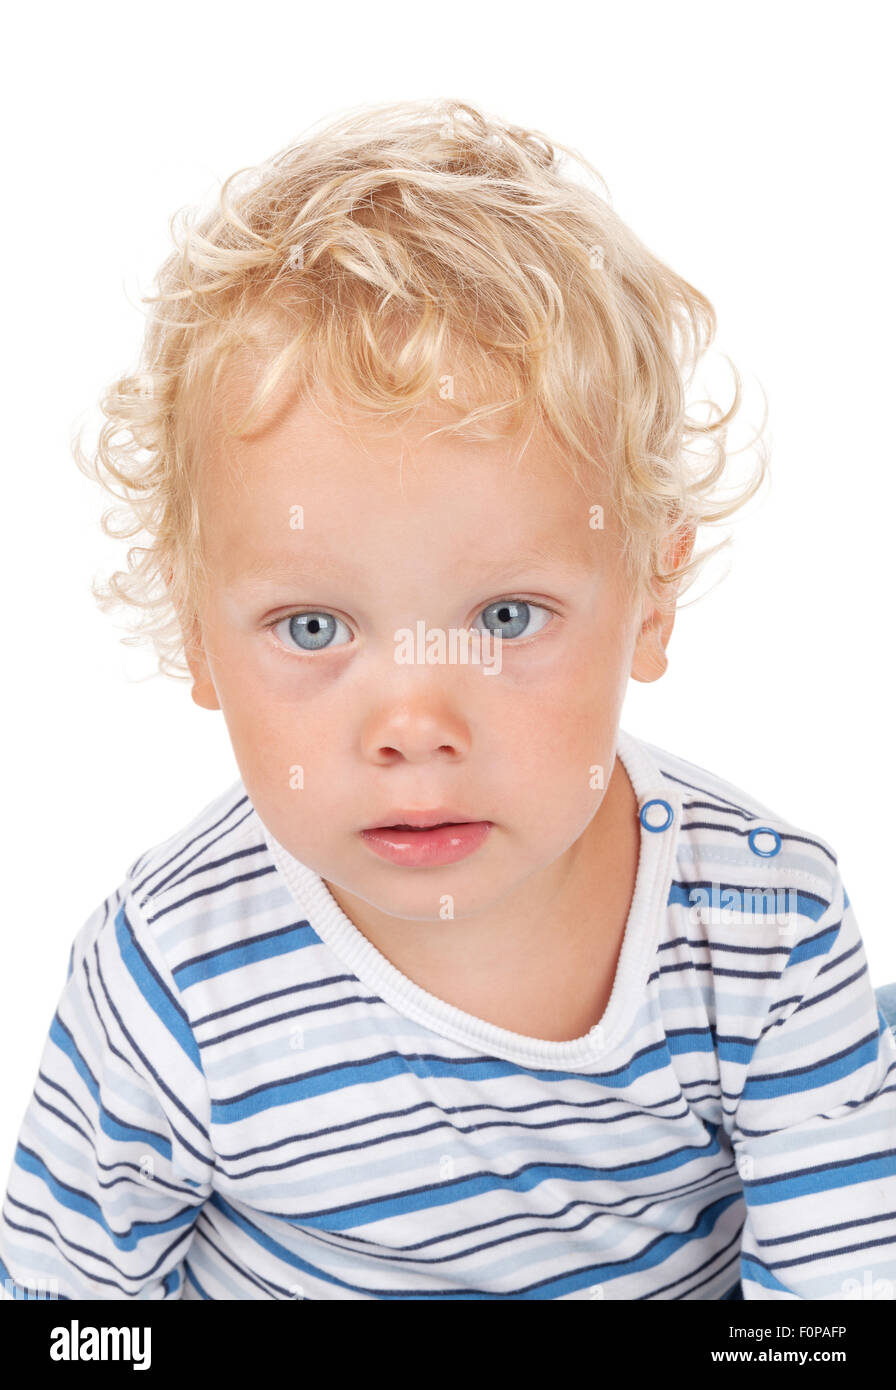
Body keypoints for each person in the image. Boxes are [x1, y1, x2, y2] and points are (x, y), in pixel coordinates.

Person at [3, 98, 895, 1302]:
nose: (414, 724)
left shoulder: (760, 929)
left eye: (506, 618)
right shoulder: (170, 970)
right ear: (197, 633)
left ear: (647, 597)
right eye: (313, 627)